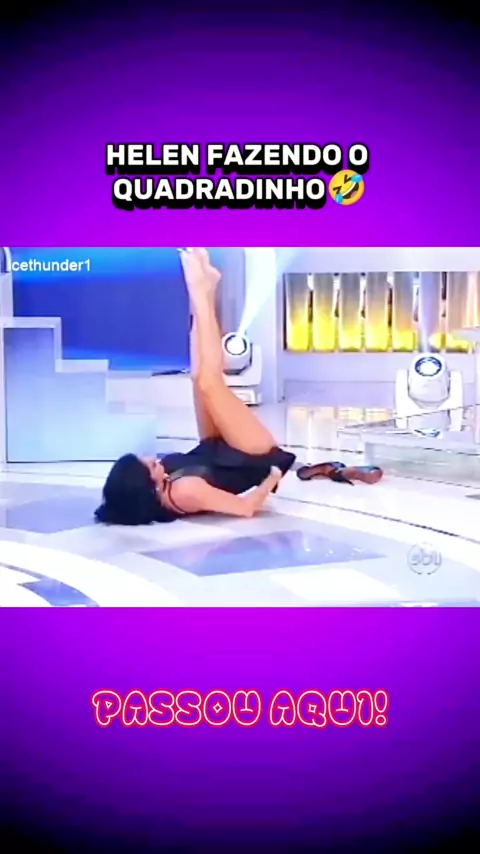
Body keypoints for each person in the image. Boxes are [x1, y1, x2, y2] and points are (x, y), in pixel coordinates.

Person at [95, 248, 296, 525]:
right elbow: (246, 508)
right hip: (250, 458)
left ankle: (204, 292)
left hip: (213, 451)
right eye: (149, 466)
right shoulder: (184, 493)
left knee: (198, 377)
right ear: (147, 487)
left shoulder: (164, 479)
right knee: (209, 382)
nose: (152, 459)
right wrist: (273, 475)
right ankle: (200, 290)